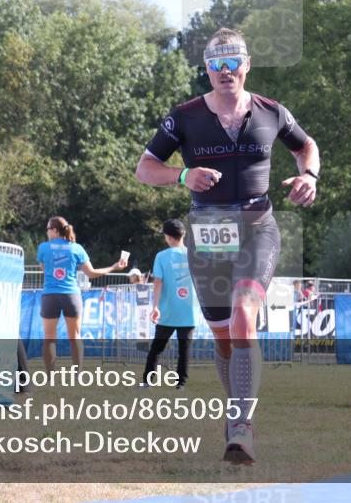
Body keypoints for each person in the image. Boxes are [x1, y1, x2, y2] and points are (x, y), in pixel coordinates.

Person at [135, 27, 319, 465]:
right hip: (208, 231)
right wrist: (183, 175)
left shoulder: (272, 112)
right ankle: (237, 408)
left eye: (233, 62)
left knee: (242, 315)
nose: (225, 71)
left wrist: (308, 176)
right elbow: (145, 168)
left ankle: (241, 424)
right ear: (206, 70)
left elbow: (306, 146)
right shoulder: (184, 116)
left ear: (247, 65)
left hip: (258, 225)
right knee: (221, 334)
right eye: (216, 64)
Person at [36, 216, 127, 372]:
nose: (47, 232)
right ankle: (77, 374)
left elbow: (44, 270)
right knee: (75, 336)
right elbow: (91, 274)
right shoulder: (76, 248)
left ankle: (49, 375)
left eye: (48, 229)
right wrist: (113, 267)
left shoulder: (43, 247)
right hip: (71, 295)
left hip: (50, 294)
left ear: (55, 230)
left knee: (49, 338)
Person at [141, 219, 199, 389]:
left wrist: (155, 306)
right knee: (184, 350)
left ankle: (147, 382)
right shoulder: (194, 255)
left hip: (167, 310)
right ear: (183, 235)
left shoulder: (161, 256)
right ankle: (181, 384)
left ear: (168, 237)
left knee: (156, 348)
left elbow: (158, 282)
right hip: (189, 310)